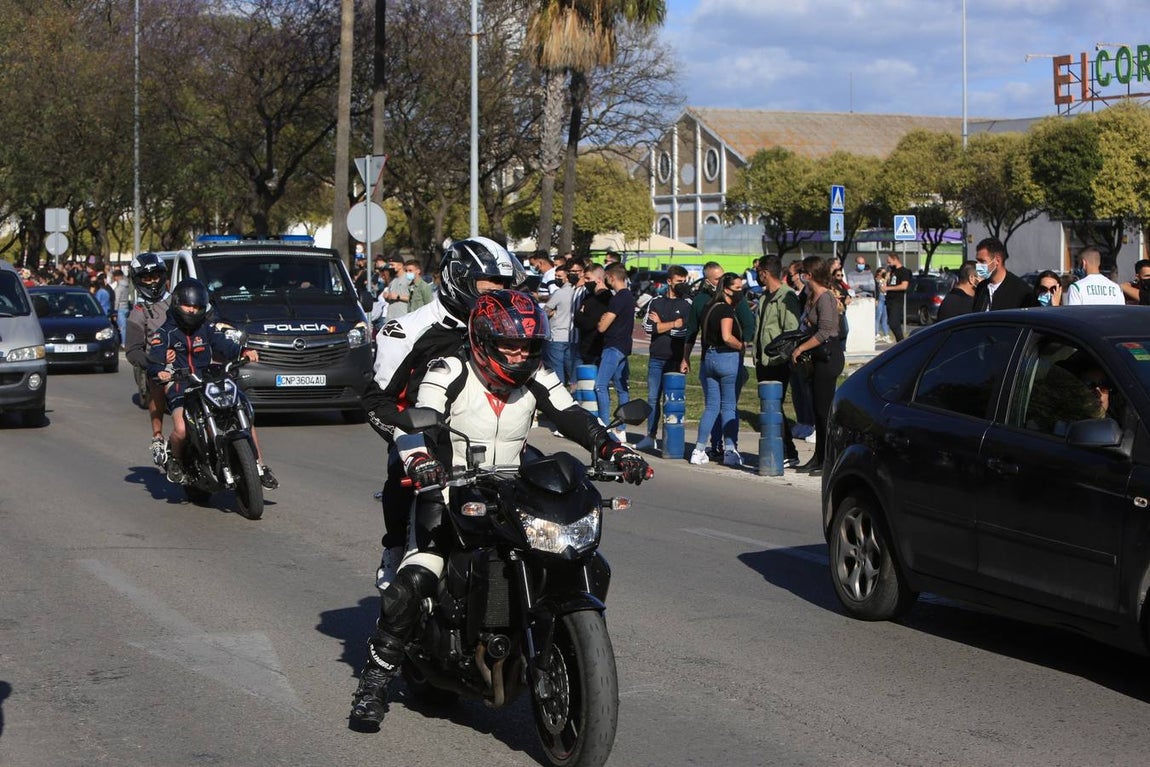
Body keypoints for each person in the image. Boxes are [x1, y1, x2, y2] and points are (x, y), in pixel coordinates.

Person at [348, 290, 650, 729]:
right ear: (483, 340)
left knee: (561, 549)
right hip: (449, 488)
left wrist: (614, 449)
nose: (519, 354)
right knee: (416, 578)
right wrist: (420, 459)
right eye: (509, 344)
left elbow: (572, 416)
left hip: (512, 489)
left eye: (527, 346)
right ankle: (374, 682)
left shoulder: (538, 377)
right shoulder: (448, 370)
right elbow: (417, 418)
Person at [363, 237, 525, 594]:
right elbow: (377, 402)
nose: (498, 294)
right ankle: (395, 549)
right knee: (401, 473)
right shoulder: (405, 332)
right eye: (489, 286)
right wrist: (410, 443)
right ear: (458, 279)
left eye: (505, 286)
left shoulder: (510, 330)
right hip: (425, 437)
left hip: (490, 436)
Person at [146, 279, 277, 489]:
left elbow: (225, 345)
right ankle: (176, 461)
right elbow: (153, 360)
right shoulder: (164, 333)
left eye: (197, 307)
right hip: (181, 385)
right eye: (188, 305)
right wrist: (159, 372)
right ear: (177, 304)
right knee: (180, 429)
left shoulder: (207, 328)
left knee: (243, 415)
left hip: (208, 380)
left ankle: (260, 467)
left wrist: (243, 351)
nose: (192, 310)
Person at [789, 256, 843, 477]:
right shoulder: (813, 296)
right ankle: (818, 457)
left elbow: (825, 332)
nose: (801, 275)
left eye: (803, 272)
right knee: (817, 411)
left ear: (810, 274)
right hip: (817, 357)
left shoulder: (826, 297)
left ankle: (828, 459)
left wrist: (800, 349)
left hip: (828, 356)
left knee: (823, 412)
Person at [689, 272, 746, 467]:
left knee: (712, 406)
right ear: (728, 289)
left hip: (709, 358)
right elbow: (726, 336)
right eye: (737, 288)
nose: (741, 291)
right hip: (726, 358)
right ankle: (730, 450)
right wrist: (741, 346)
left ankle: (698, 450)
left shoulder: (709, 307)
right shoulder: (726, 310)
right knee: (729, 406)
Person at [751, 255, 802, 469]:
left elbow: (791, 331)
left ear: (765, 272)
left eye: (759, 271)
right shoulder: (764, 297)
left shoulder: (786, 297)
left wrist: (781, 357)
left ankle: (789, 452)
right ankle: (779, 451)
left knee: (775, 408)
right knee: (769, 408)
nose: (757, 275)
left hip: (778, 362)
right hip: (763, 361)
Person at [124, 253, 174, 466]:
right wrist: (154, 361)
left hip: (190, 357)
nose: (153, 282)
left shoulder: (180, 300)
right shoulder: (138, 312)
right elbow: (133, 351)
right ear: (138, 281)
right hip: (160, 365)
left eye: (156, 276)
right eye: (146, 278)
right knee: (157, 383)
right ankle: (158, 435)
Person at [636, 265, 691, 451]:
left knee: (672, 399)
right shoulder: (656, 301)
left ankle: (670, 438)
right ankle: (650, 435)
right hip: (656, 358)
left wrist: (662, 324)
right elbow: (648, 327)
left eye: (685, 282)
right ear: (669, 281)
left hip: (675, 359)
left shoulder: (687, 304)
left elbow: (682, 331)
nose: (682, 285)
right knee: (653, 398)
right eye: (679, 282)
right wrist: (669, 324)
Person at [594, 262, 636, 443]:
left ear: (611, 278)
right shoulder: (629, 296)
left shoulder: (618, 298)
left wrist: (601, 321)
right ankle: (621, 428)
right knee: (621, 388)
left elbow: (603, 326)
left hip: (613, 347)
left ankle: (604, 425)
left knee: (600, 385)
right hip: (624, 346)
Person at [971, 236, 1038, 311]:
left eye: (982, 261)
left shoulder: (1021, 291)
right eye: (977, 261)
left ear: (997, 261)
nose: (978, 265)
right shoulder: (981, 288)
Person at [572, 263, 611, 368]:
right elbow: (576, 320)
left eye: (588, 278)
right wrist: (580, 315)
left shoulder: (606, 298)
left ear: (599, 279)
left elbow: (590, 323)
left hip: (596, 347)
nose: (586, 282)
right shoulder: (588, 296)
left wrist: (580, 315)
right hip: (583, 346)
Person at [543, 264, 575, 386]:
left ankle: (559, 390)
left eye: (559, 276)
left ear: (567, 277)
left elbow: (546, 310)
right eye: (555, 275)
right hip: (570, 336)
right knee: (570, 368)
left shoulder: (559, 293)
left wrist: (552, 313)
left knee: (557, 368)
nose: (556, 278)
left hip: (557, 335)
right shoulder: (576, 291)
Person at [882, 252, 912, 342]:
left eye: (889, 261)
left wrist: (888, 288)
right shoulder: (892, 271)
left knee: (894, 323)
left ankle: (901, 341)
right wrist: (886, 278)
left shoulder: (904, 271)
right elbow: (887, 282)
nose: (888, 263)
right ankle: (900, 341)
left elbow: (904, 286)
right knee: (892, 323)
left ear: (895, 259)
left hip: (897, 300)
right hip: (889, 300)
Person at [112, 268, 131, 347]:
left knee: (122, 327)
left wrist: (114, 311)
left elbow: (117, 300)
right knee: (126, 326)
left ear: (117, 277)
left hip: (120, 308)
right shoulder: (127, 285)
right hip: (126, 307)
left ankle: (123, 342)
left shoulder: (119, 288)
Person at [874, 266, 892, 343]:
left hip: (885, 298)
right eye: (883, 272)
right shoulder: (877, 280)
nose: (885, 274)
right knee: (878, 316)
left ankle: (886, 334)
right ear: (879, 273)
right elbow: (881, 289)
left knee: (885, 318)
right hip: (880, 298)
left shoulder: (885, 280)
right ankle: (876, 334)